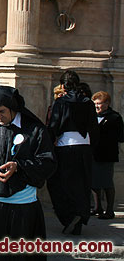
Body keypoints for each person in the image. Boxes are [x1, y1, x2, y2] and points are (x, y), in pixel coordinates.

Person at [0, 85, 56, 261]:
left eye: (1, 112)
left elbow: (48, 163)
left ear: (12, 107)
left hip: (22, 208)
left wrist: (20, 167)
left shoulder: (35, 130)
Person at [47, 70, 98, 235]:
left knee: (60, 183)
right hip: (85, 147)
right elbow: (93, 127)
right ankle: (79, 216)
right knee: (81, 184)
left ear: (62, 85)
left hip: (65, 147)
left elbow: (54, 126)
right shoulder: (88, 102)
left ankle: (69, 217)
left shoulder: (61, 103)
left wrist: (48, 141)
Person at [90, 91, 124, 220]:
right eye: (95, 104)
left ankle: (109, 210)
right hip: (93, 153)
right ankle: (97, 207)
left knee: (106, 182)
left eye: (99, 104)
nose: (97, 106)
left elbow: (121, 136)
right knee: (94, 182)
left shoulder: (114, 117)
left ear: (107, 104)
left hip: (106, 154)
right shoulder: (92, 117)